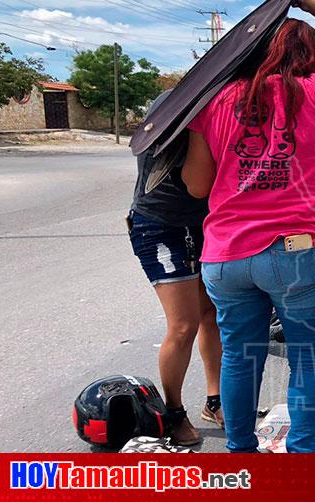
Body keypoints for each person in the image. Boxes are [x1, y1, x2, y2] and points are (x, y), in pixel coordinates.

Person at [181, 0, 315, 453]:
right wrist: (310, 4)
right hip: (296, 252)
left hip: (225, 254)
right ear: (313, 55)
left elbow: (196, 185)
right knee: (310, 361)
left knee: (238, 357)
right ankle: (301, 462)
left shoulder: (216, 99)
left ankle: (240, 454)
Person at [127, 90, 223, 446]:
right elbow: (198, 185)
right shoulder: (180, 104)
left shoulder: (210, 100)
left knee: (209, 313)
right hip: (159, 225)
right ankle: (173, 413)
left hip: (198, 224)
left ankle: (214, 402)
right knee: (183, 324)